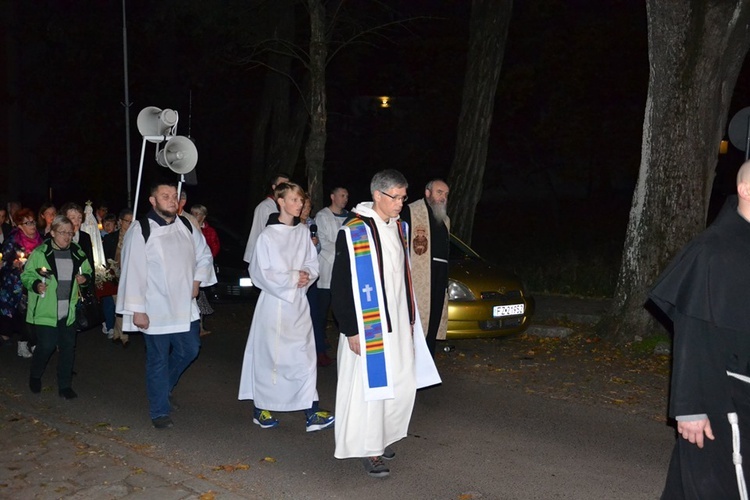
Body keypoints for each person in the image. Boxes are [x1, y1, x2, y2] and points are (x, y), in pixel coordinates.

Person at [649, 160, 750, 499]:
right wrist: (690, 408)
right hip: (727, 402)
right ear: (745, 190)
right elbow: (693, 330)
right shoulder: (712, 251)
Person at [331, 169, 440, 477]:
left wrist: (409, 319)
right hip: (368, 328)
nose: (401, 204)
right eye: (396, 197)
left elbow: (402, 277)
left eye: (404, 197)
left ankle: (384, 436)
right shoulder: (353, 231)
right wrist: (350, 328)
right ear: (377, 195)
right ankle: (369, 448)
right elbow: (340, 283)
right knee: (371, 389)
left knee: (399, 384)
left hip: (397, 324)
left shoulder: (399, 228)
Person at [116, 179, 216, 429]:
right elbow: (133, 271)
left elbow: (204, 255)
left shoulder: (186, 224)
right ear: (153, 200)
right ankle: (159, 410)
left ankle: (164, 387)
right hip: (155, 308)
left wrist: (197, 280)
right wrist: (137, 310)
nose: (172, 200)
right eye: (165, 196)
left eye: (174, 196)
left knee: (190, 349)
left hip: (183, 306)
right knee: (158, 359)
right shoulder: (141, 230)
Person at [238, 182, 334, 432]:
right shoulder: (267, 236)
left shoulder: (303, 232)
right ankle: (261, 408)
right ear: (280, 201)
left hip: (299, 304)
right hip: (274, 304)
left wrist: (307, 275)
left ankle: (311, 410)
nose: (299, 204)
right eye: (294, 199)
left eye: (301, 200)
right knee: (272, 358)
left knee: (304, 355)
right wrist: (294, 277)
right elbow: (259, 273)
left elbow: (313, 264)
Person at [22, 215, 92, 399]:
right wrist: (36, 284)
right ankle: (35, 375)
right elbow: (26, 275)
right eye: (62, 233)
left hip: (68, 311)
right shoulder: (40, 253)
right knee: (46, 346)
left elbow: (88, 271)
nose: (67, 237)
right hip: (46, 310)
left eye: (70, 233)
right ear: (52, 233)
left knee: (68, 348)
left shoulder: (77, 252)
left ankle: (64, 385)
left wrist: (85, 279)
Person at [400, 179, 451, 357]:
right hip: (419, 280)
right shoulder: (410, 212)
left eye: (445, 194)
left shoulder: (444, 219)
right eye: (439, 192)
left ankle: (427, 364)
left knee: (433, 322)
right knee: (417, 324)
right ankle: (411, 365)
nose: (443, 197)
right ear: (427, 192)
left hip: (438, 278)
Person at [0, 208, 44, 357]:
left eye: (33, 222)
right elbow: (3, 261)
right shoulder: (13, 240)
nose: (32, 225)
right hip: (15, 285)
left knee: (34, 312)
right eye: (27, 223)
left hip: (34, 281)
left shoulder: (40, 239)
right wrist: (14, 264)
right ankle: (23, 343)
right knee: (22, 315)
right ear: (20, 226)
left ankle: (33, 341)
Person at [314, 186, 349, 366]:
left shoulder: (349, 217)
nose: (345, 198)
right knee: (321, 313)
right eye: (342, 195)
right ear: (332, 196)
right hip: (327, 271)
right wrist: (342, 252)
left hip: (343, 273)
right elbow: (323, 241)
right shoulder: (322, 216)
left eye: (347, 196)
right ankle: (319, 349)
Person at [243, 172, 290, 265]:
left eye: (288, 185)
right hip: (264, 256)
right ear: (274, 187)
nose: (286, 188)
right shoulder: (264, 207)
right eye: (282, 185)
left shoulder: (287, 207)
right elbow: (257, 231)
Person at [103, 209, 133, 347]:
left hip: (130, 276)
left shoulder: (135, 237)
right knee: (118, 305)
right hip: (114, 276)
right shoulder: (110, 238)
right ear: (120, 221)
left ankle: (118, 333)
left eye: (132, 221)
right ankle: (123, 335)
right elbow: (105, 257)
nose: (130, 224)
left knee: (123, 305)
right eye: (127, 221)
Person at [189, 203, 220, 336]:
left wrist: (205, 262)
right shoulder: (187, 226)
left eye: (198, 214)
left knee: (200, 297)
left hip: (202, 268)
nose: (195, 216)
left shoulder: (209, 231)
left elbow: (214, 248)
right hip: (190, 267)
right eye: (193, 213)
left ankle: (199, 326)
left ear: (204, 216)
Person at [59, 203, 94, 272]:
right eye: (73, 218)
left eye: (79, 218)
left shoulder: (85, 237)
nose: (77, 221)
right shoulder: (57, 237)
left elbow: (90, 263)